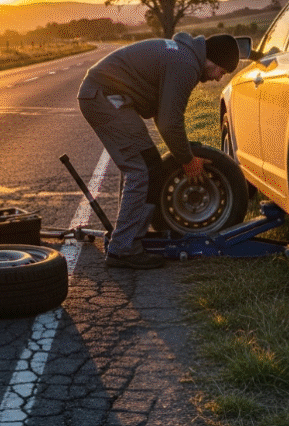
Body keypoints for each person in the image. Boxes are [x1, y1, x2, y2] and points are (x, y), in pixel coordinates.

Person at [78, 32, 240, 269]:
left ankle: (129, 238)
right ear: (212, 60)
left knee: (148, 165)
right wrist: (187, 160)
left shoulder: (184, 56)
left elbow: (162, 114)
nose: (218, 79)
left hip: (108, 95)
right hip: (104, 97)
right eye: (222, 72)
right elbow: (169, 122)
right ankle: (123, 249)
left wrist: (182, 151)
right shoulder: (186, 65)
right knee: (142, 168)